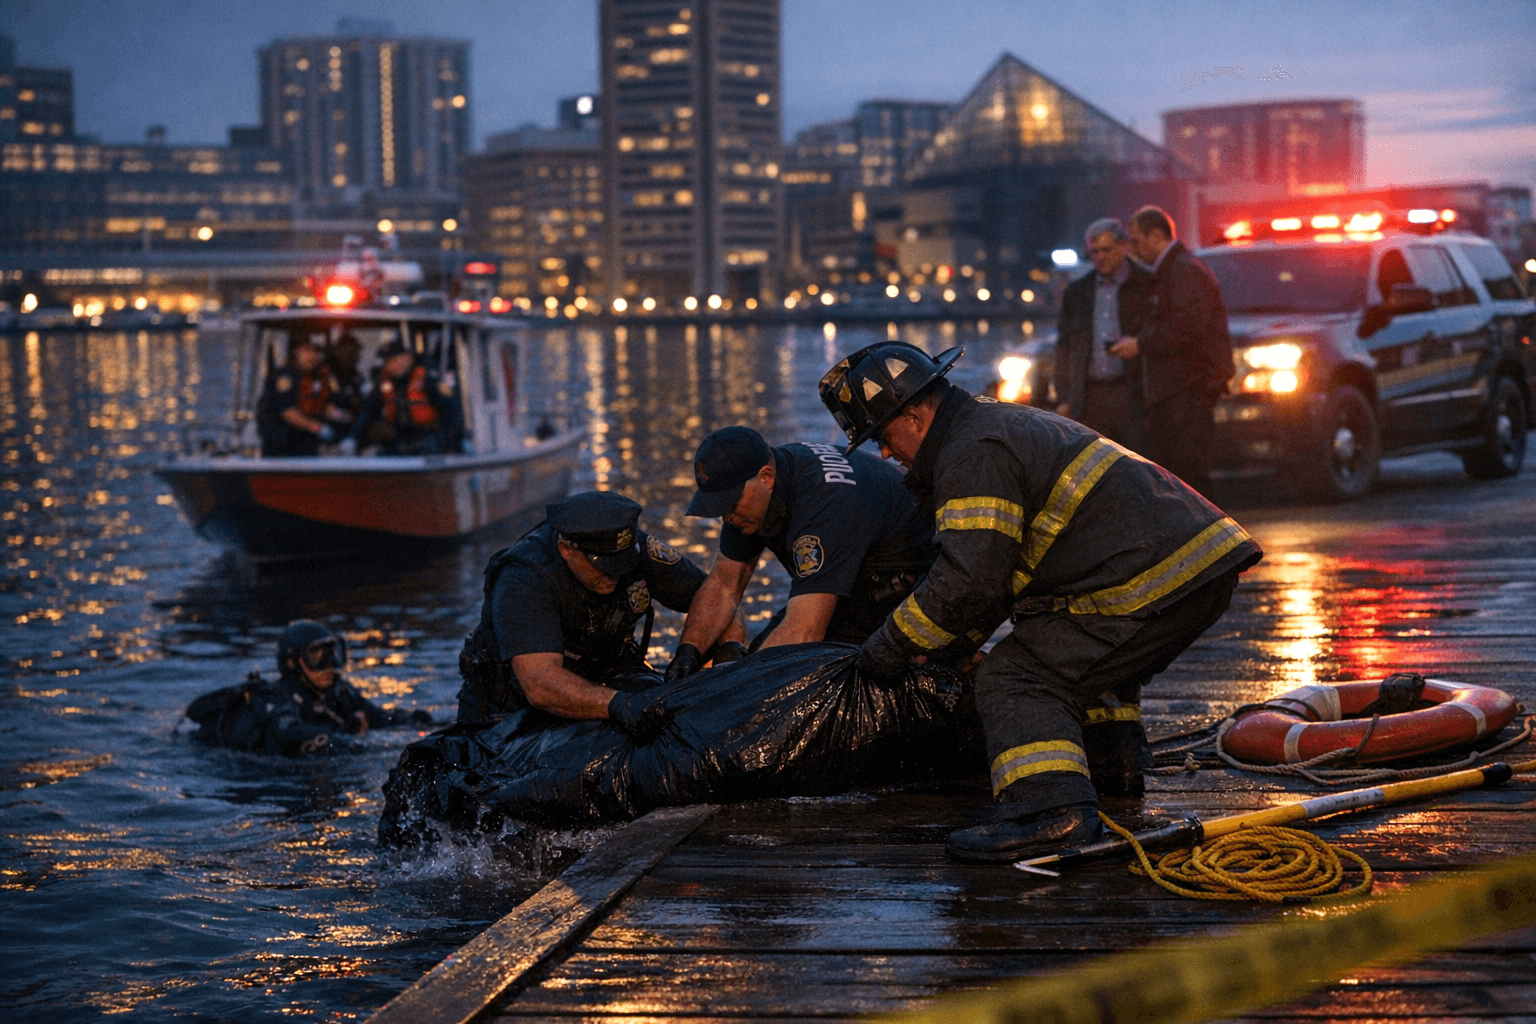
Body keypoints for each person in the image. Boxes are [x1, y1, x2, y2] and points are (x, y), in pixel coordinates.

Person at [819, 341, 1261, 862]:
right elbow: (995, 581)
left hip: (1146, 576)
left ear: (914, 416)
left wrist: (889, 647)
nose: (887, 455)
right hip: (1184, 567)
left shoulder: (971, 453)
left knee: (1017, 677)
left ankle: (1052, 814)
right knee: (1067, 649)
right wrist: (951, 644)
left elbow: (969, 579)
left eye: (883, 438)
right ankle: (1112, 771)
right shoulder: (988, 426)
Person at [455, 490, 735, 741]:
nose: (615, 575)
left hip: (607, 670)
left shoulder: (634, 548)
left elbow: (718, 596)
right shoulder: (525, 578)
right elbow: (540, 684)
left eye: (622, 564)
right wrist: (616, 704)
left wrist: (692, 651)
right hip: (510, 704)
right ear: (568, 550)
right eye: (604, 567)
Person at [665, 425, 936, 682]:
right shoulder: (755, 493)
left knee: (796, 678)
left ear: (766, 477)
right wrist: (689, 652)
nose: (726, 515)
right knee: (762, 655)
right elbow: (724, 583)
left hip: (915, 593)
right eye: (718, 505)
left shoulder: (821, 507)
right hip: (856, 584)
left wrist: (735, 693)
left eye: (730, 503)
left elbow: (805, 631)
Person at [1111, 205, 1234, 498]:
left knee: (1189, 477)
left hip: (1185, 391)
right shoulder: (1180, 270)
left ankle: (1208, 541)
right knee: (1186, 475)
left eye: (1138, 242)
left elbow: (1186, 328)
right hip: (1184, 390)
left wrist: (1140, 344)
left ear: (1156, 236)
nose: (1135, 252)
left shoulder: (1182, 272)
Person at [185, 620, 433, 755]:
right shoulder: (275, 698)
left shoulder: (338, 691)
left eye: (333, 654)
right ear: (293, 662)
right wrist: (348, 742)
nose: (329, 666)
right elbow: (291, 732)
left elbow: (376, 716)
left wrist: (417, 721)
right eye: (318, 657)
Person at [1054, 217, 1154, 452]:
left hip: (1133, 394)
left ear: (1123, 246)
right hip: (1091, 397)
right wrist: (1063, 399)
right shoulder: (1077, 292)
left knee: (1139, 464)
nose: (1100, 257)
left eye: (1106, 250)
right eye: (1094, 251)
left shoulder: (1147, 284)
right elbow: (1064, 348)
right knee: (1096, 467)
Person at [350, 340, 463, 455]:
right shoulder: (386, 382)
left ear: (407, 358)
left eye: (393, 360)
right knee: (379, 453)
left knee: (427, 448)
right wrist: (353, 438)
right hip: (399, 437)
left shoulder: (428, 377)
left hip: (428, 436)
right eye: (387, 362)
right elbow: (368, 411)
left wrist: (454, 444)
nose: (389, 366)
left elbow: (451, 413)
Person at [256, 337, 347, 456]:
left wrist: (340, 416)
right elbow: (288, 411)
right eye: (306, 351)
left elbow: (320, 406)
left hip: (306, 445)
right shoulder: (285, 378)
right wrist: (318, 428)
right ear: (295, 353)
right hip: (282, 447)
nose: (312, 356)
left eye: (315, 351)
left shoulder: (315, 377)